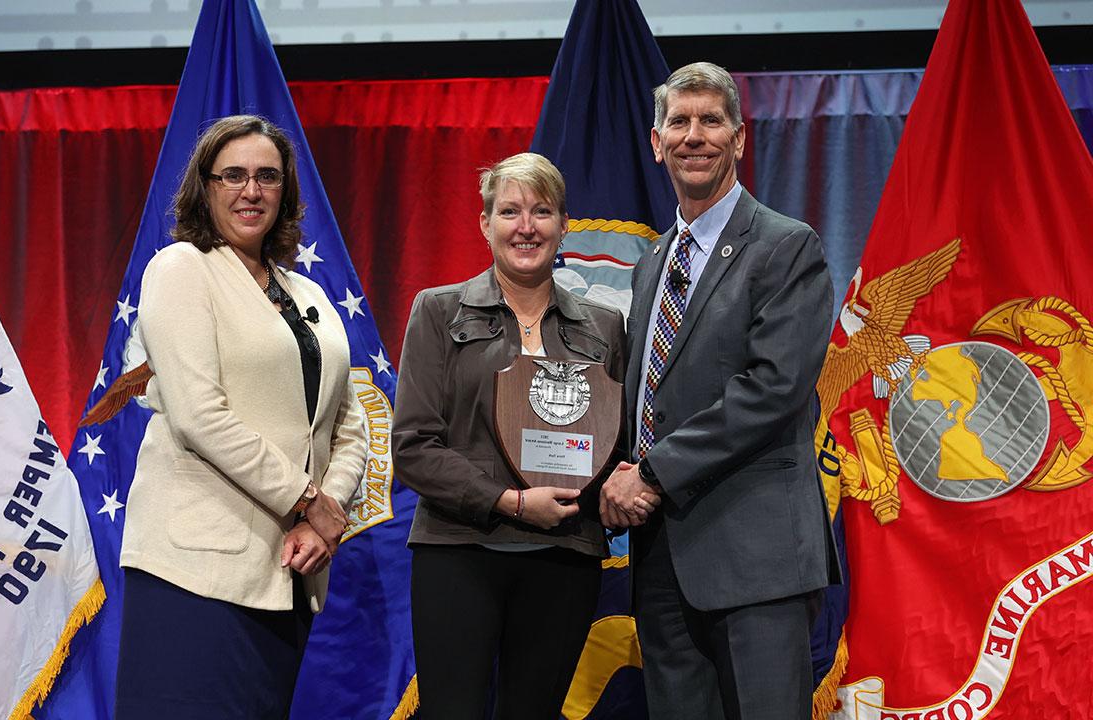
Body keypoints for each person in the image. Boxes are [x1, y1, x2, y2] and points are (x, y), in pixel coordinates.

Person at [600, 62, 840, 719]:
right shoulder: (653, 262)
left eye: (711, 121)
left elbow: (774, 386)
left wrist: (652, 473)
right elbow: (649, 396)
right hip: (663, 563)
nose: (694, 135)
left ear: (739, 139)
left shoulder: (786, 247)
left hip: (757, 559)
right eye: (679, 121)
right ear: (657, 141)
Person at [114, 115, 367, 719]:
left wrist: (324, 517)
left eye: (267, 177)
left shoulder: (307, 294)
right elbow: (201, 416)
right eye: (233, 175)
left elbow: (348, 423)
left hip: (290, 569)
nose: (251, 191)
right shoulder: (180, 269)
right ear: (205, 186)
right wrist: (309, 500)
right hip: (194, 571)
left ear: (285, 193)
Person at [393, 152, 629, 720]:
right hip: (459, 550)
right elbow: (412, 447)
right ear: (485, 223)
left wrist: (623, 488)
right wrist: (510, 502)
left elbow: (615, 445)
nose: (526, 226)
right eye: (510, 211)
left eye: (542, 211)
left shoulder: (604, 327)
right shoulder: (438, 311)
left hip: (564, 554)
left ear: (564, 225)